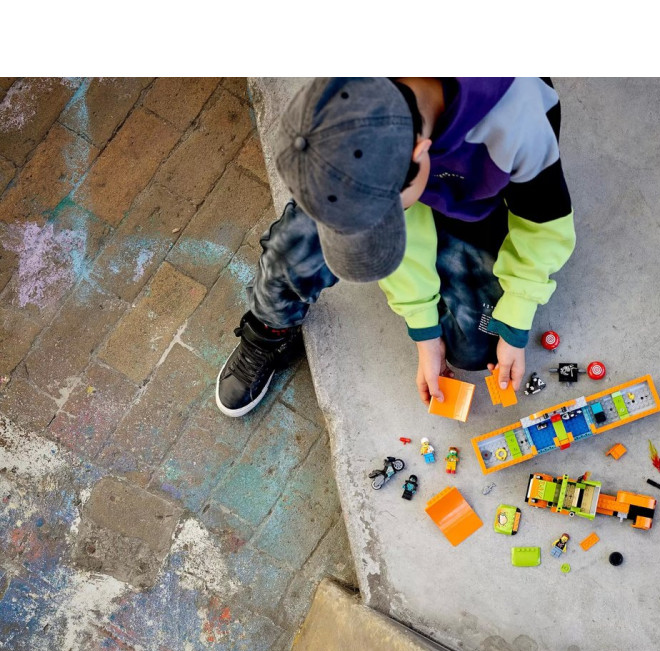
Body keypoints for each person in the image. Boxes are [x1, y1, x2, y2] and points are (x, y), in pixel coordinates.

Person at [215, 77, 576, 417]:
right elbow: (402, 216)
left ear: (421, 152)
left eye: (390, 216)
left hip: (473, 199)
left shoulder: (518, 121)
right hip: (405, 181)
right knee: (294, 249)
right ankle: (269, 330)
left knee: (478, 347)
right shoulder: (353, 102)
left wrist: (517, 317)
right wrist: (424, 329)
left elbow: (543, 228)